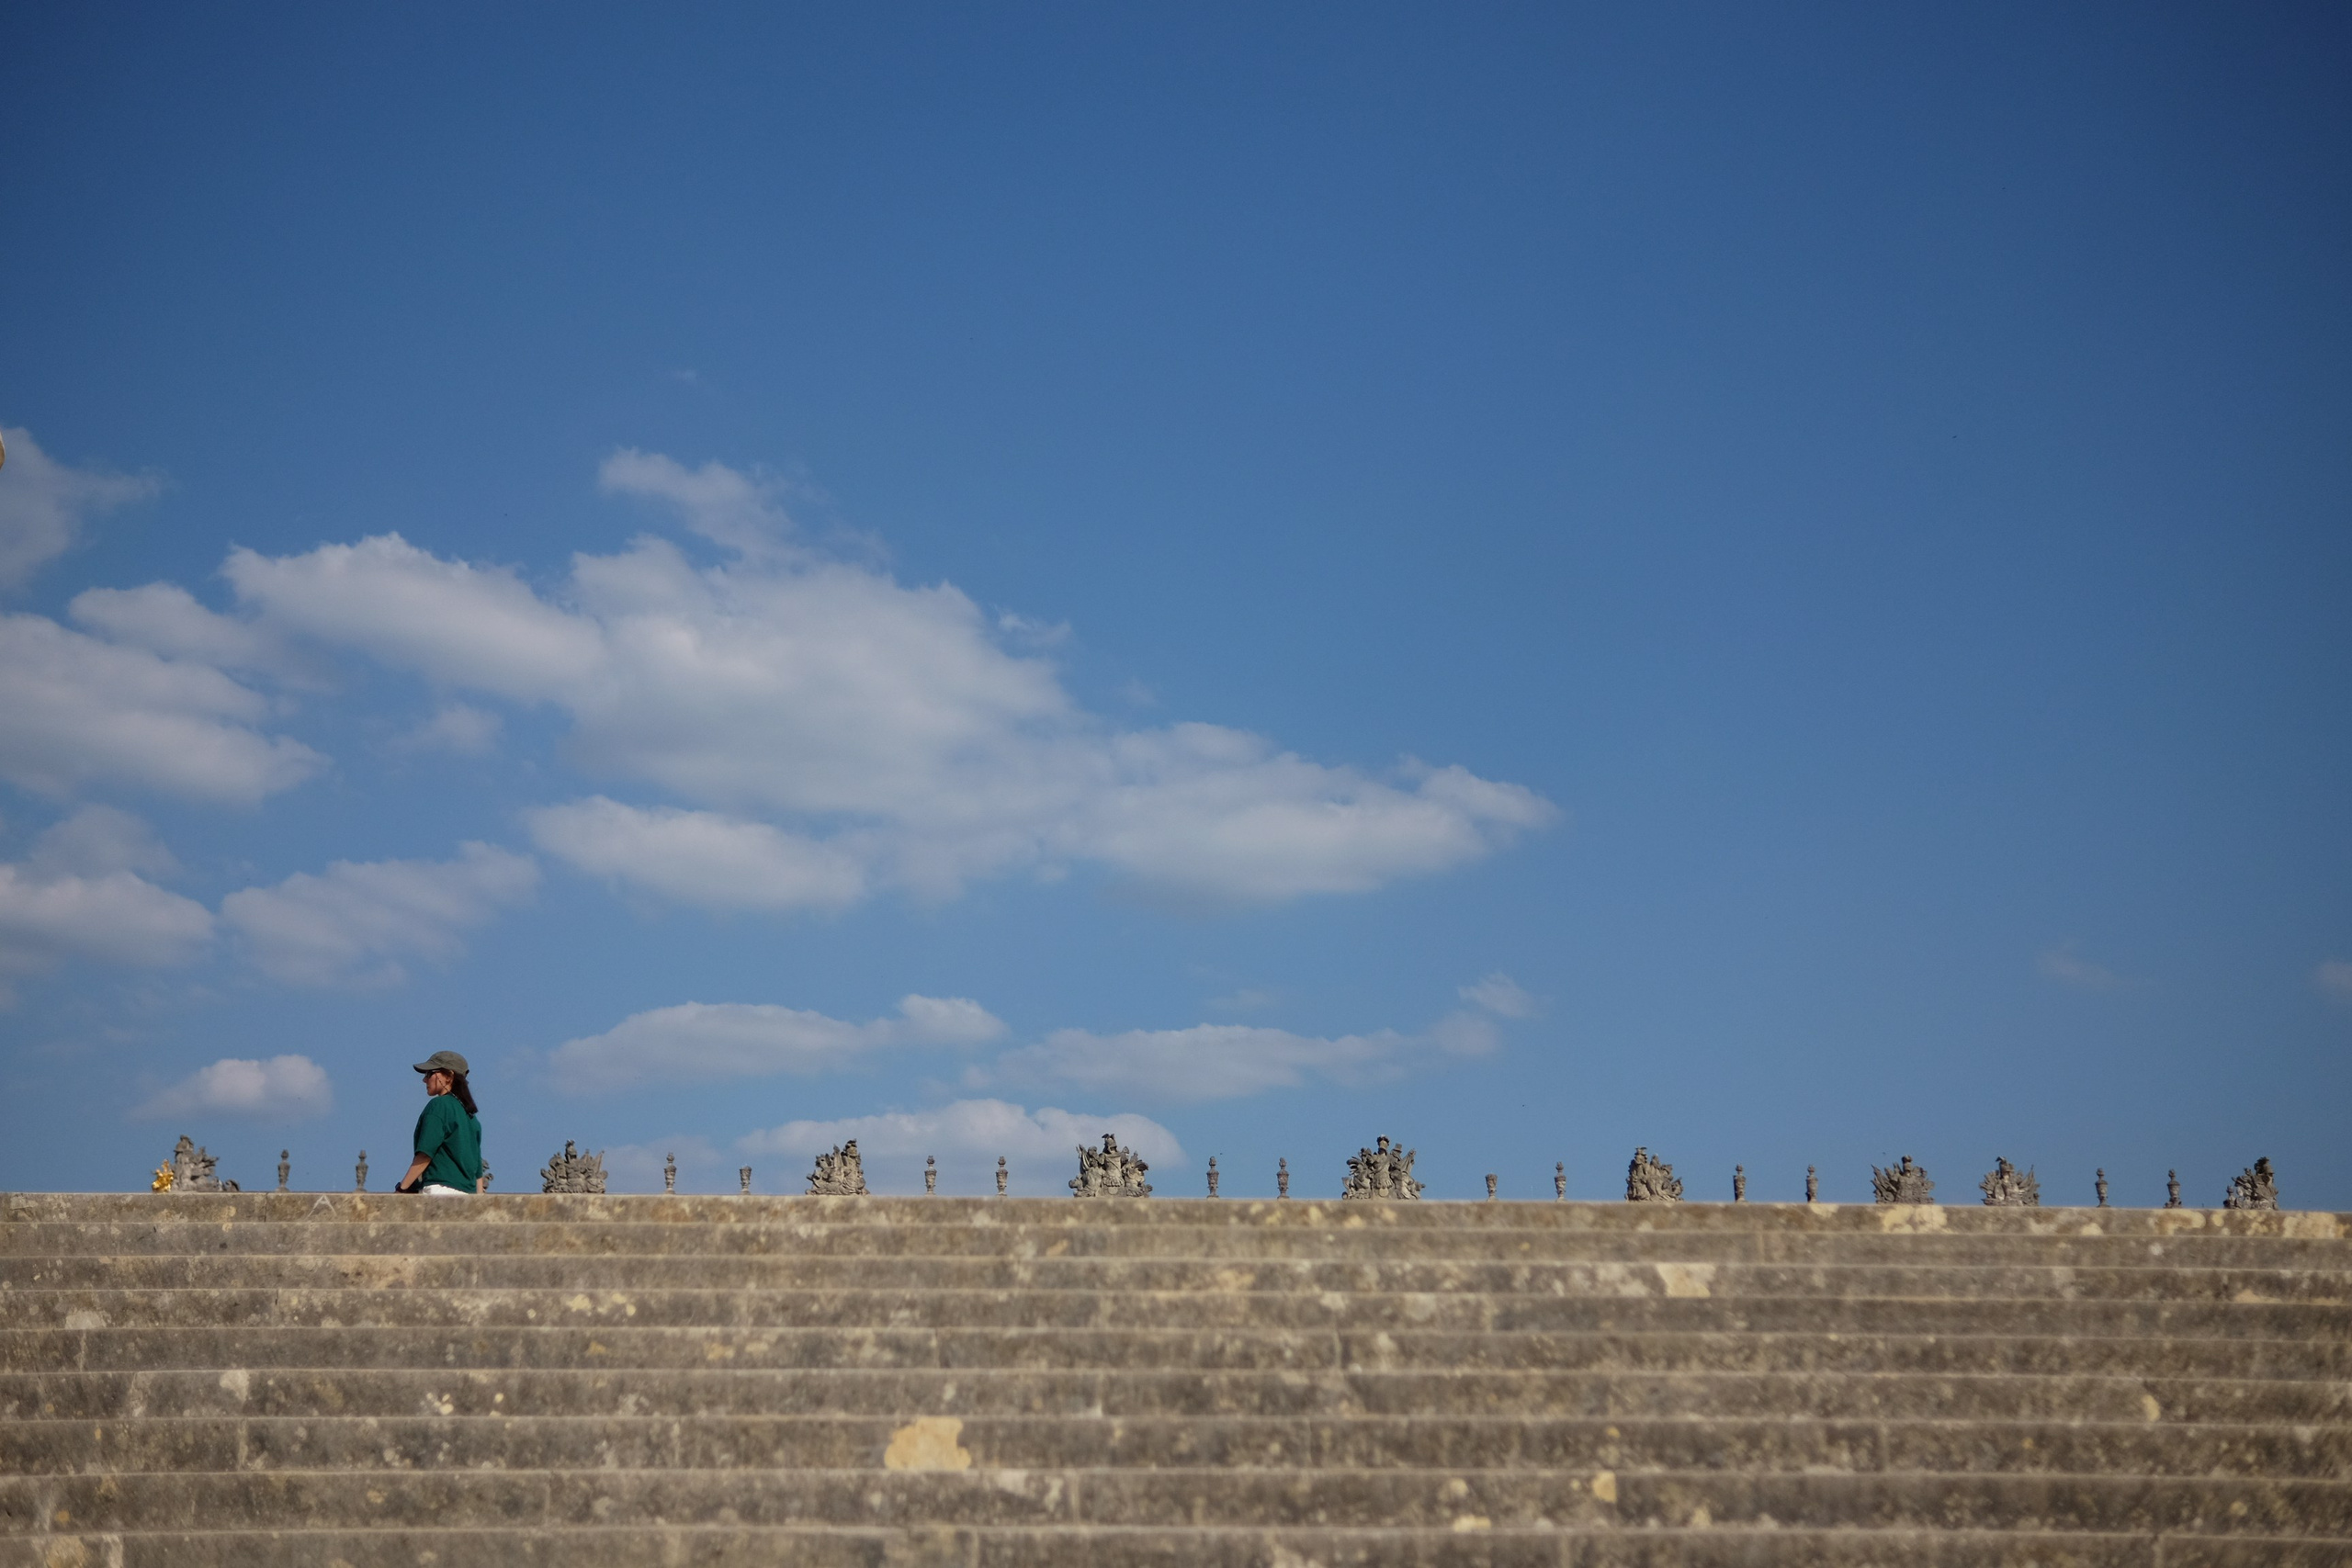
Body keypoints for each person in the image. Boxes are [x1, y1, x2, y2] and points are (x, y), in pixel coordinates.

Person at [397, 1050, 483, 1196]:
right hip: (468, 1196)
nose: (425, 1080)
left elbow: (425, 1154)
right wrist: (479, 1202)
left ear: (448, 1076)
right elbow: (478, 1172)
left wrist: (402, 1189)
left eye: (429, 1074)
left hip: (440, 1191)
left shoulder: (440, 1106)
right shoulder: (471, 1117)